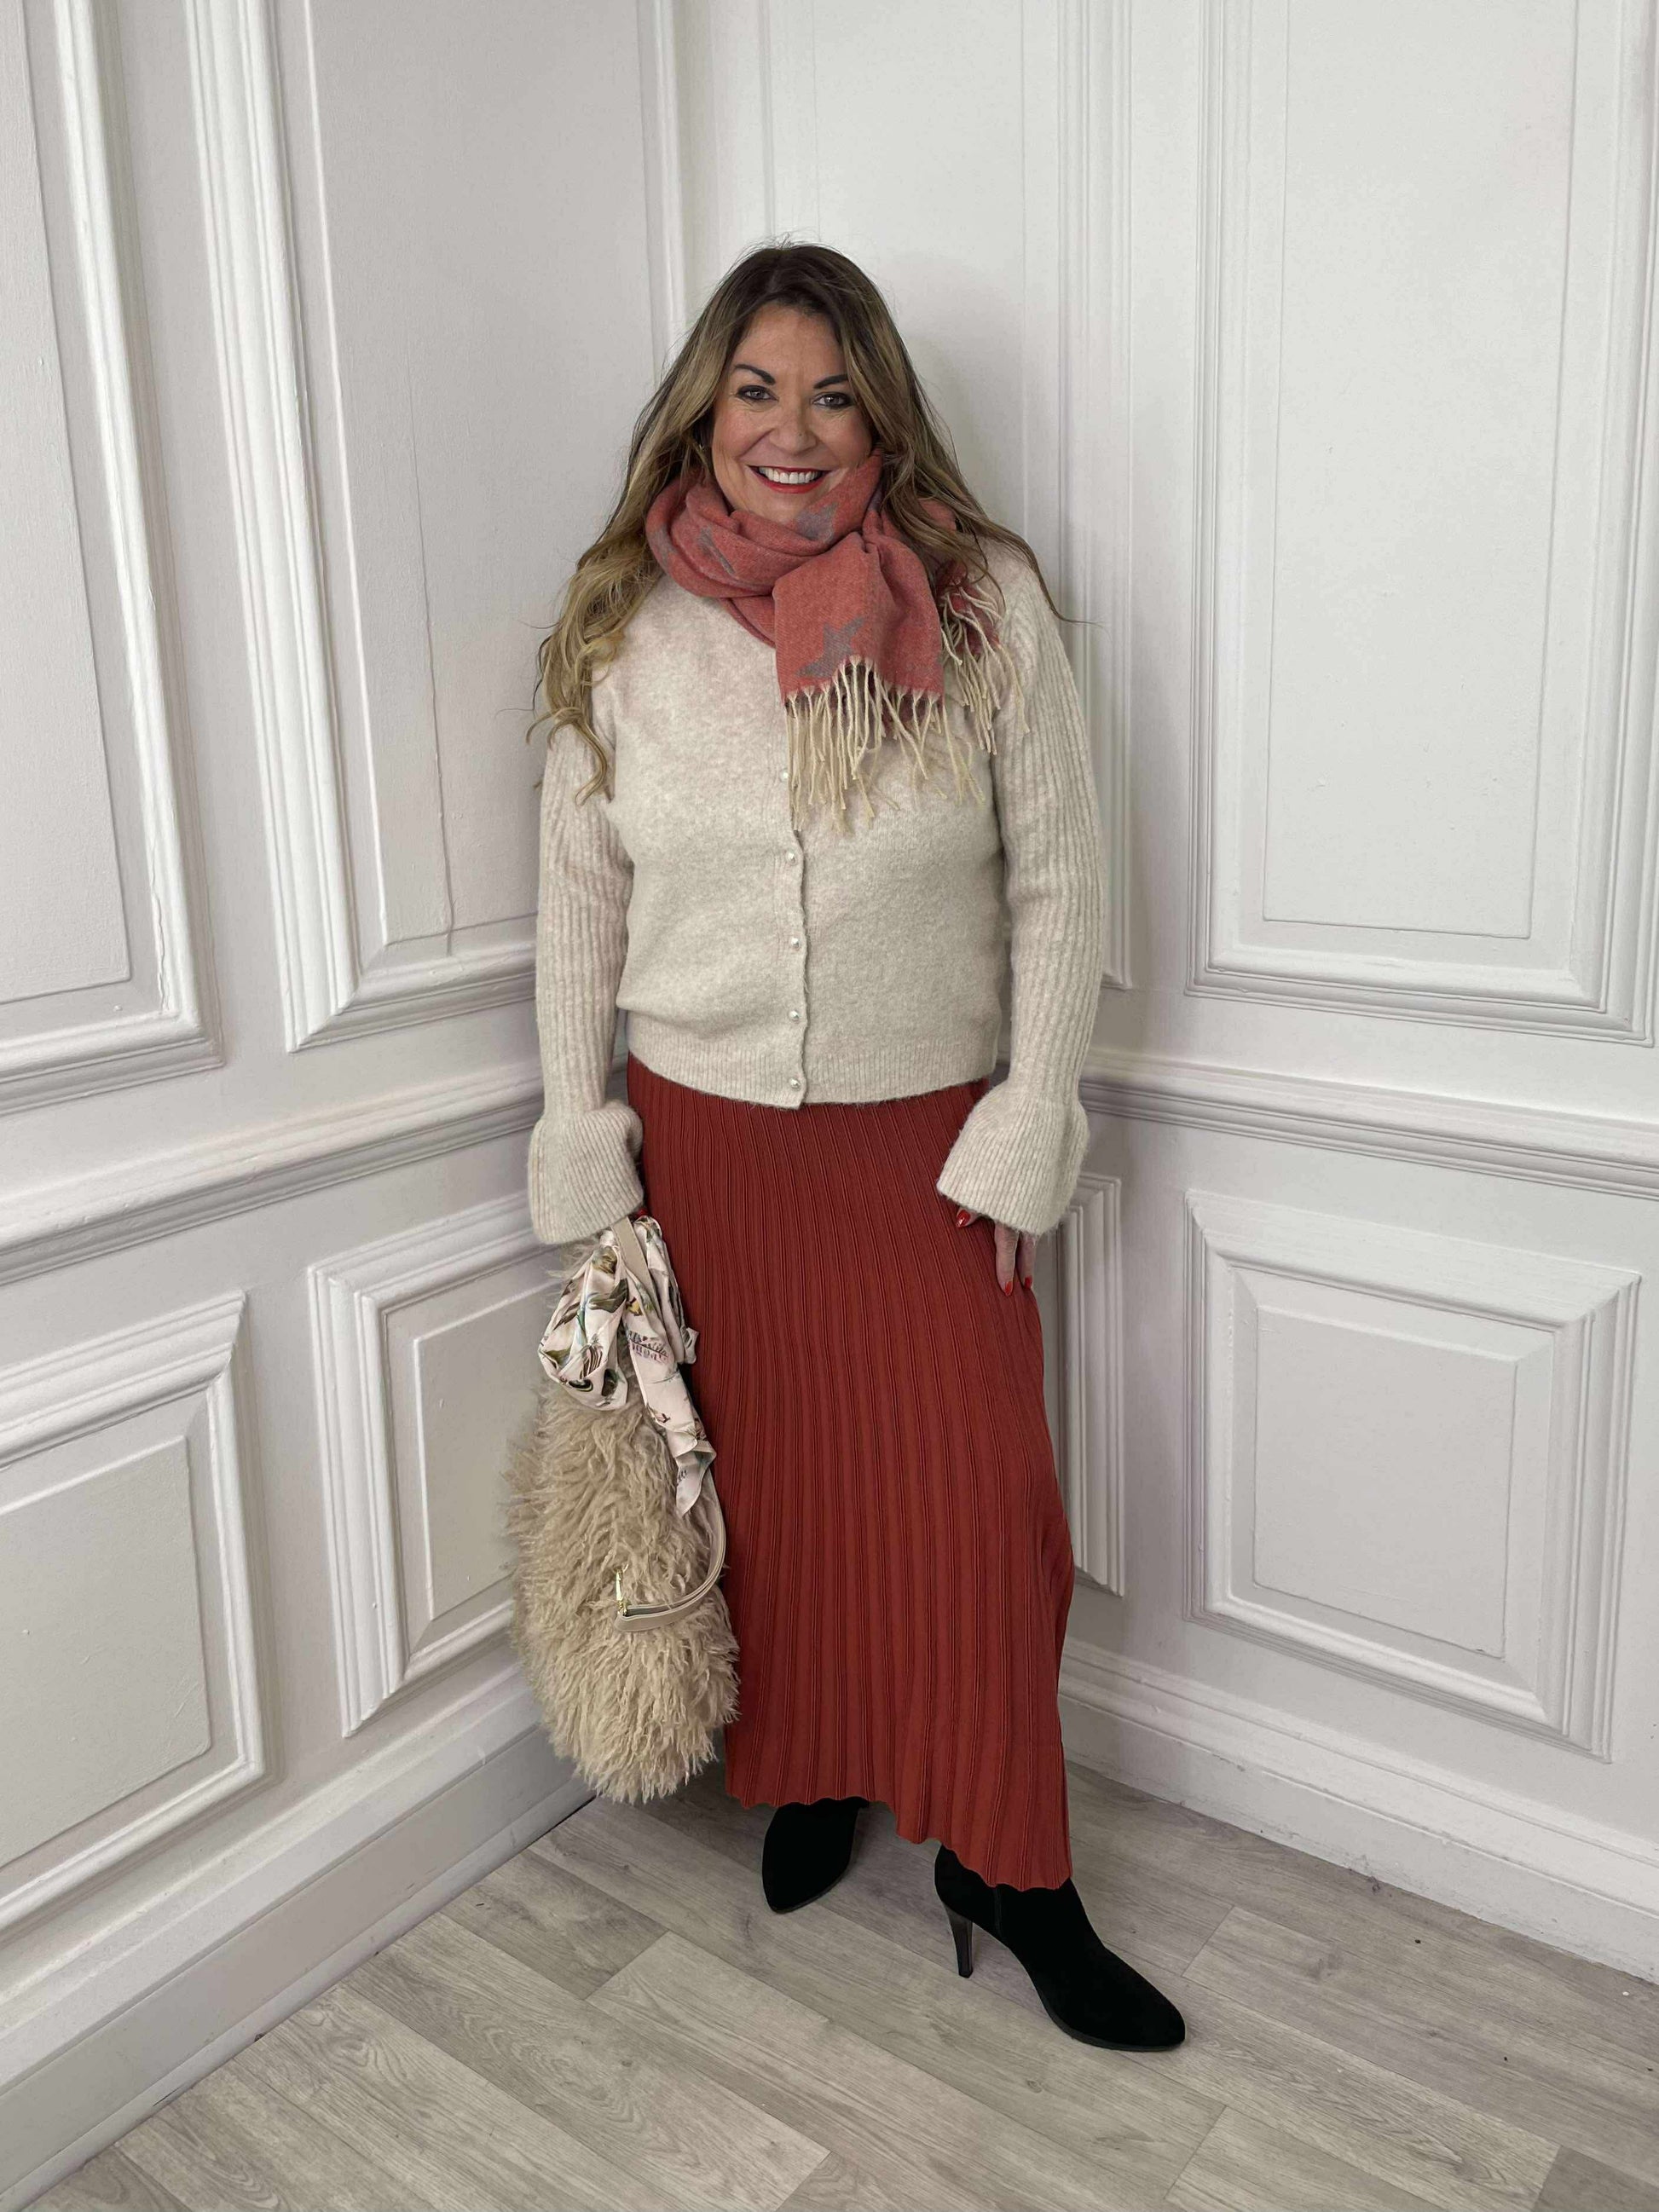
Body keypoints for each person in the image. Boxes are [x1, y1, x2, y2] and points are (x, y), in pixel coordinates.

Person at [528, 240, 1183, 2052]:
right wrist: (586, 1140)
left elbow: (1061, 881)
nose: (793, 431)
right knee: (784, 1513)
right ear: (704, 411)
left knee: (982, 1520)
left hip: (923, 1155)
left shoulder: (976, 606)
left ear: (879, 412)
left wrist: (1028, 1119)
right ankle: (812, 1768)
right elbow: (578, 903)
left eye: (831, 394)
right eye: (757, 389)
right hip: (711, 1153)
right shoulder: (624, 621)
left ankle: (1014, 1870)